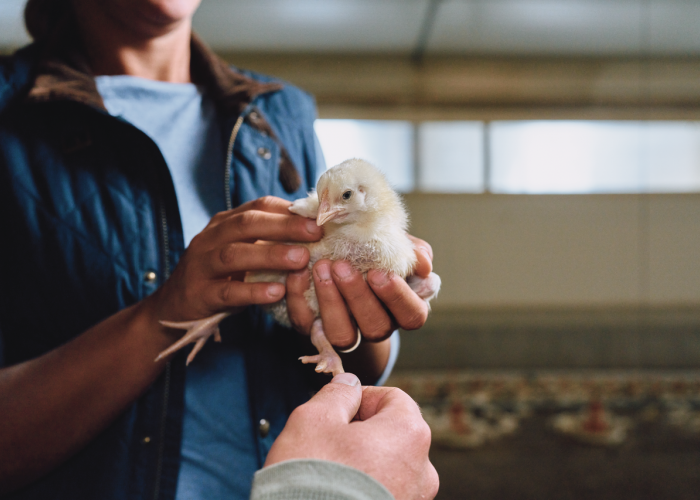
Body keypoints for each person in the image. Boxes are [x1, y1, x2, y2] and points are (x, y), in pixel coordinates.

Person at [0, 0, 438, 498]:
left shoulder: (276, 113)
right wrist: (160, 316)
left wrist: (366, 313)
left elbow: (350, 346)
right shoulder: (12, 115)